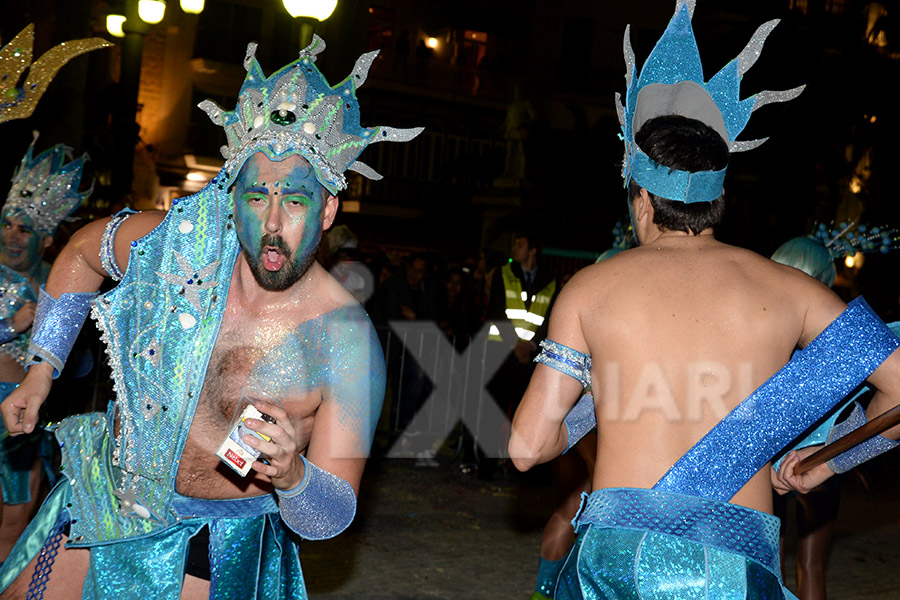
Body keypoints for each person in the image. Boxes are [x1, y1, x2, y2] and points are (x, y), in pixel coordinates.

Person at [0, 35, 421, 599]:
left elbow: (332, 514)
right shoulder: (177, 251)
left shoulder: (344, 340)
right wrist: (41, 367)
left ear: (327, 208)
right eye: (255, 198)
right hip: (106, 500)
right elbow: (81, 253)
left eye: (294, 201)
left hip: (211, 543)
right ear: (231, 197)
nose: (272, 223)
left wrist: (294, 477)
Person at [508, 4, 900, 599]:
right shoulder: (791, 291)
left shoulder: (591, 288)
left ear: (641, 198)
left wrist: (591, 407)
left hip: (615, 562)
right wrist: (827, 463)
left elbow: (527, 447)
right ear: (719, 197)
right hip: (733, 566)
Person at [0, 140, 90, 563]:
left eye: (25, 229)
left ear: (48, 237)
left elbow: (81, 367)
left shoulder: (60, 290)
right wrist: (10, 326)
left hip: (25, 423)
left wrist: (71, 342)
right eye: (7, 224)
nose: (11, 236)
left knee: (18, 517)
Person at [485, 231, 557, 477]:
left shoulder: (550, 279)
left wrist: (531, 345)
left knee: (527, 417)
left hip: (532, 360)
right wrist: (516, 344)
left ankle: (522, 473)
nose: (514, 248)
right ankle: (487, 467)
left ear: (533, 250)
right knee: (493, 413)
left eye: (520, 244)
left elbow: (550, 319)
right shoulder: (503, 274)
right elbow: (496, 312)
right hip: (502, 356)